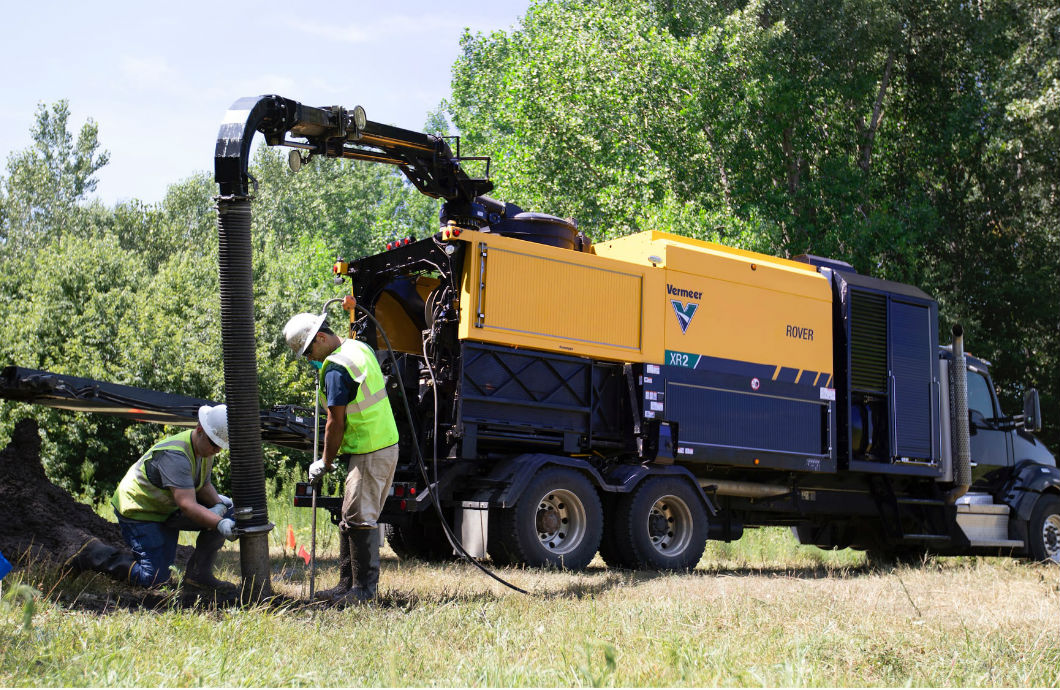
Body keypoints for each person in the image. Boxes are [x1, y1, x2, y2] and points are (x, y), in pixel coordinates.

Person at [283, 295, 399, 604]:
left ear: (320, 338)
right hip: (376, 445)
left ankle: (362, 591)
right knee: (350, 515)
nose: (309, 359)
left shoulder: (336, 368)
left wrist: (324, 461)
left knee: (359, 517)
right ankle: (346, 585)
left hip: (371, 449)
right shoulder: (356, 347)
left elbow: (335, 422)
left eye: (308, 351)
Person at [67, 405, 238, 588]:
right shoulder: (177, 456)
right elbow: (188, 505)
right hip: (141, 510)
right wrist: (219, 523)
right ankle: (93, 554)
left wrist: (220, 506)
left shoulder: (204, 449)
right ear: (200, 430)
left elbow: (203, 484)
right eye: (214, 443)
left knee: (229, 508)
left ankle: (198, 576)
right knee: (154, 579)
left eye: (221, 446)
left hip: (166, 507)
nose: (217, 450)